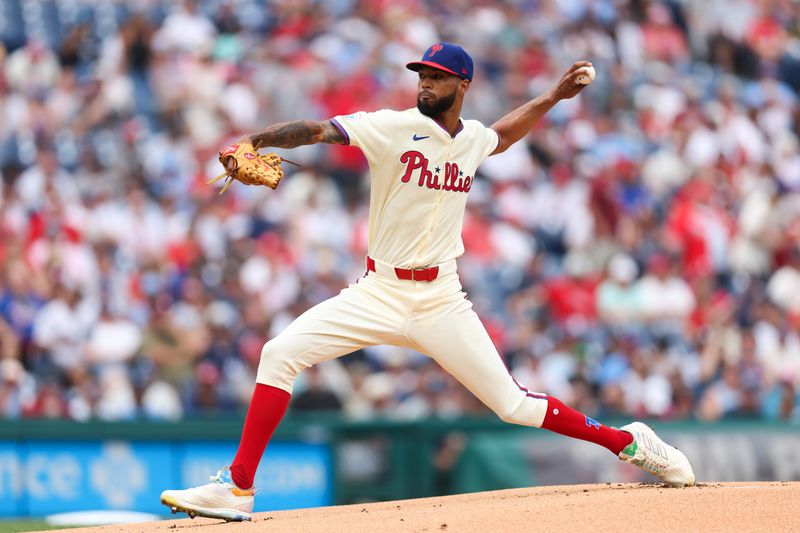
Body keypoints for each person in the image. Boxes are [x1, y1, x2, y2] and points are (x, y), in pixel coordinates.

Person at [160, 43, 694, 522]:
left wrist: (554, 95)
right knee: (278, 354)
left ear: (462, 86)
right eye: (421, 75)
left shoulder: (472, 141)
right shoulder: (391, 126)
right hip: (378, 292)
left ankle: (629, 442)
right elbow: (320, 130)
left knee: (513, 406)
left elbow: (502, 135)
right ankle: (238, 488)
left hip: (441, 299)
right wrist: (253, 138)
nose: (425, 84)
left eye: (436, 77)